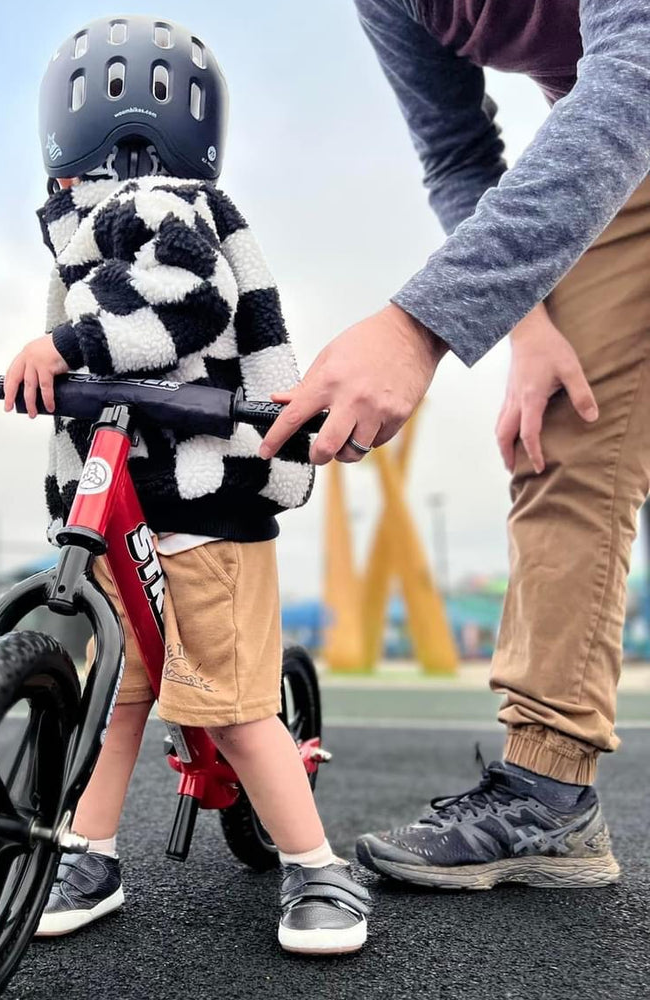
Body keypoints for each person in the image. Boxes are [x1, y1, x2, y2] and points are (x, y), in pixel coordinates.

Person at [2, 15, 371, 953]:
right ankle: (90, 851)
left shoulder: (160, 205)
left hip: (207, 505)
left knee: (240, 712)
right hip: (135, 510)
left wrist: (65, 347)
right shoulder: (84, 230)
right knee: (118, 698)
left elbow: (182, 303)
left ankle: (317, 867)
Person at [261, 0, 650, 889]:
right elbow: (458, 155)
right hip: (620, 160)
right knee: (562, 437)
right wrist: (527, 318)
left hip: (632, 101)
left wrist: (417, 327)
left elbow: (638, 70)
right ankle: (547, 799)